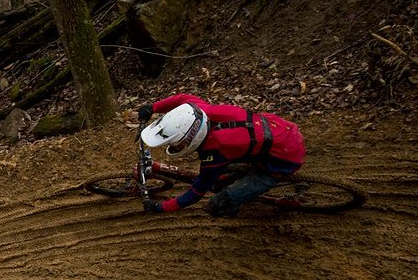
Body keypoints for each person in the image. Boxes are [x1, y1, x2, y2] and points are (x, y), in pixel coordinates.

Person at [132, 93, 307, 217]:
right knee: (225, 174)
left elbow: (196, 192)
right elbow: (183, 98)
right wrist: (152, 108)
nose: (176, 146)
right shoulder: (200, 111)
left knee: (216, 203)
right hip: (281, 129)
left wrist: (160, 207)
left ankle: (234, 202)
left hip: (285, 158)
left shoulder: (216, 149)